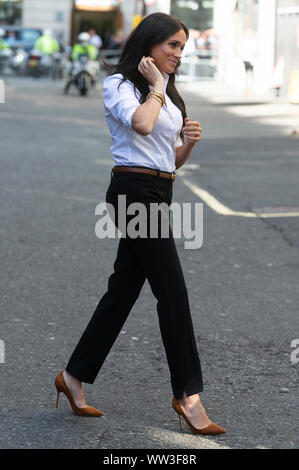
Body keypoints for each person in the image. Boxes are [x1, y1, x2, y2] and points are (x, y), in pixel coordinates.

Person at [54, 12, 226, 436]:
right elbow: (142, 125)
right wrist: (157, 90)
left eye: (182, 48)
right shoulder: (120, 85)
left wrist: (187, 143)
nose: (178, 55)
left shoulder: (165, 91)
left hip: (158, 191)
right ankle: (188, 395)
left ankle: (72, 377)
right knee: (172, 291)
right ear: (149, 43)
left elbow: (169, 161)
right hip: (132, 191)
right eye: (172, 45)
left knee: (123, 290)